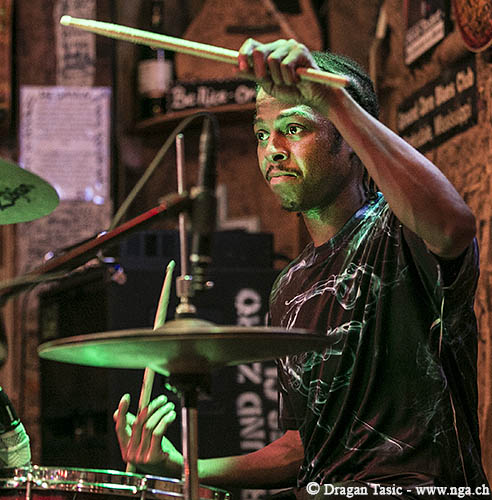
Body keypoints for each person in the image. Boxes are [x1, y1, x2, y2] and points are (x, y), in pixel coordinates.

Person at [113, 38, 490, 498]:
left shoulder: (400, 230)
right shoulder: (287, 288)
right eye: (262, 134)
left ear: (350, 143)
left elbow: (453, 227)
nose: (272, 150)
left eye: (293, 128)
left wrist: (334, 101)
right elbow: (301, 446)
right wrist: (183, 465)